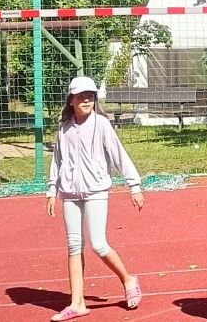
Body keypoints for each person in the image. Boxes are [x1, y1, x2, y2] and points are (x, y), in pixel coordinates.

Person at [46, 76, 145, 322]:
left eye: (90, 96)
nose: (86, 100)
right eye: (81, 96)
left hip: (96, 191)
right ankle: (77, 303)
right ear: (71, 100)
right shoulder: (64, 128)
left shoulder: (101, 124)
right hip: (70, 193)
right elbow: (57, 161)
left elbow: (119, 155)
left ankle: (128, 280)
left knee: (98, 244)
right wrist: (51, 191)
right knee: (73, 247)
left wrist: (134, 185)